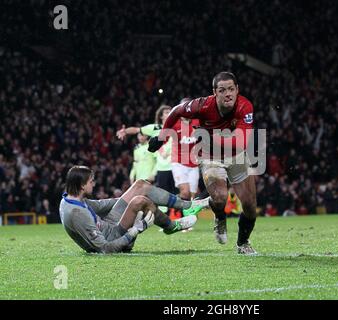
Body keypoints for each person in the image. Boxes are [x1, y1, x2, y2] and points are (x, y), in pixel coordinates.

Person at [148, 72, 259, 255]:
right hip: (210, 156)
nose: (228, 94)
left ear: (237, 90)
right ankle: (220, 217)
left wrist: (211, 138)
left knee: (249, 205)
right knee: (220, 197)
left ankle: (242, 242)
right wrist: (162, 137)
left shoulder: (245, 106)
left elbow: (240, 142)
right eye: (222, 90)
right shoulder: (203, 105)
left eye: (231, 89)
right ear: (215, 92)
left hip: (237, 155)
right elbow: (176, 111)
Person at [59, 166, 210, 254]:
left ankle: (188, 206)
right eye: (91, 182)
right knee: (141, 202)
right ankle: (172, 226)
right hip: (112, 237)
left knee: (140, 186)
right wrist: (134, 231)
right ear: (82, 186)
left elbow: (100, 205)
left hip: (109, 224)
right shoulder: (76, 214)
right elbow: (104, 248)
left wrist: (128, 196)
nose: (94, 184)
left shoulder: (71, 199)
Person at [117, 105, 174, 213]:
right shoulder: (156, 128)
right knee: (164, 194)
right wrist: (126, 131)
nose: (169, 113)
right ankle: (167, 220)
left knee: (181, 192)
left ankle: (183, 217)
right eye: (166, 112)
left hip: (177, 165)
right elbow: (138, 129)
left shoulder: (178, 126)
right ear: (161, 116)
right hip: (162, 167)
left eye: (170, 111)